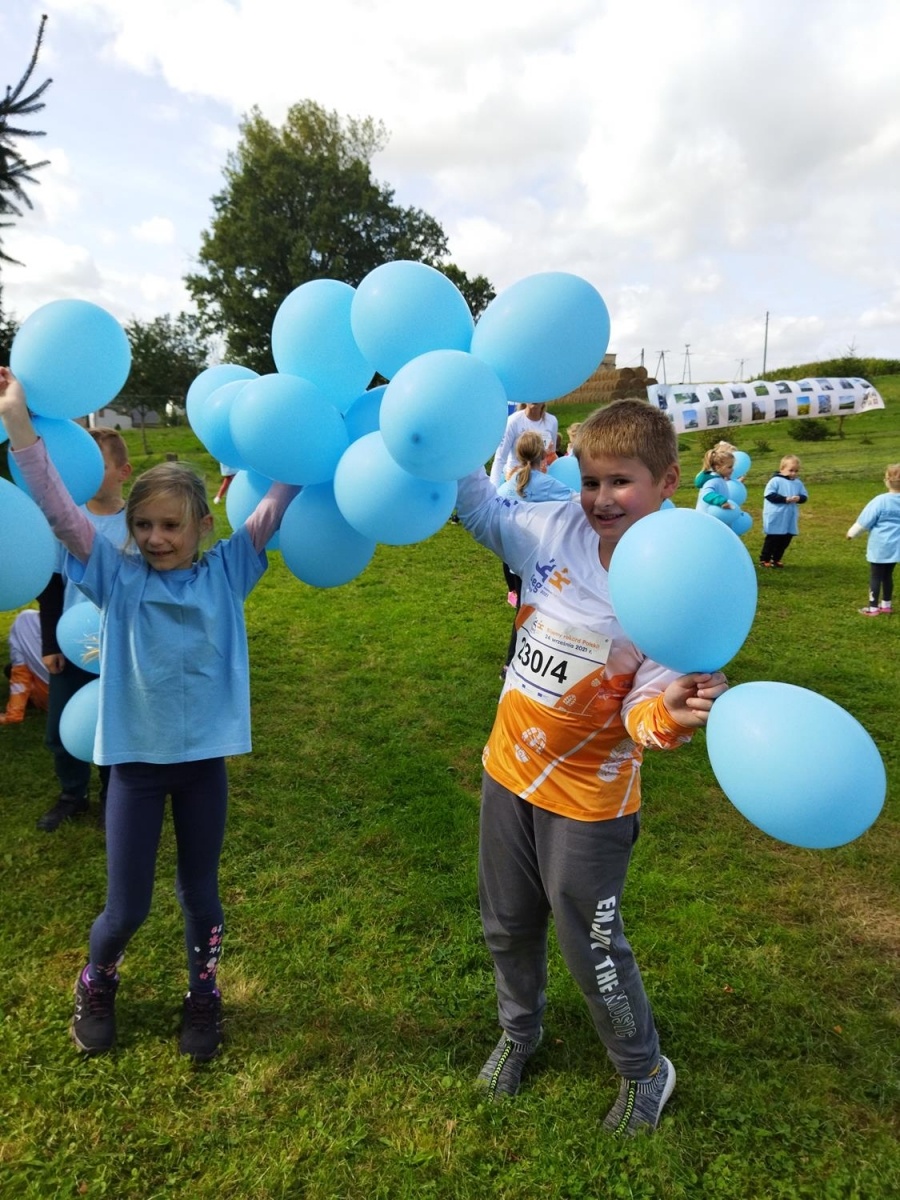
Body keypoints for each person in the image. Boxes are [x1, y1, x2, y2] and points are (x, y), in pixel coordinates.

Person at [0, 366, 300, 1062]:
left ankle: (204, 994)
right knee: (126, 905)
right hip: (134, 770)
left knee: (202, 893)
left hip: (202, 770)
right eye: (143, 526)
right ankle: (95, 983)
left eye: (170, 525)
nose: (157, 538)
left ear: (202, 523)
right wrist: (18, 425)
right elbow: (58, 511)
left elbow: (282, 494)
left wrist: (311, 425)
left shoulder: (230, 571)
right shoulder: (117, 575)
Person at [456, 399, 728, 1136]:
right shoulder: (554, 527)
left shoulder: (676, 585)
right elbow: (486, 514)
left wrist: (668, 710)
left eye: (621, 483)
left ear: (668, 480)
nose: (602, 500)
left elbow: (643, 715)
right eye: (590, 481)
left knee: (591, 941)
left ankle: (644, 1069)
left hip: (590, 800)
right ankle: (520, 1031)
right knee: (507, 922)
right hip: (507, 768)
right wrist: (443, 443)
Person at [35, 426, 133, 832]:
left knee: (117, 728)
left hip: (125, 647)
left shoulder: (139, 523)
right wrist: (49, 643)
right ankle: (72, 794)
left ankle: (117, 797)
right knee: (62, 727)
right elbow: (51, 585)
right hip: (73, 646)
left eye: (98, 465)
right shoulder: (66, 522)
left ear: (122, 472)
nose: (85, 472)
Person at [496, 431, 577, 676]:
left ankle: (525, 658)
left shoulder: (510, 483)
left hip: (510, 561)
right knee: (531, 608)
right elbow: (577, 499)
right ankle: (513, 663)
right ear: (543, 455)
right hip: (534, 560)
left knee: (526, 606)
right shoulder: (544, 482)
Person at [846, 463, 900, 615]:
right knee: (888, 576)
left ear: (887, 480)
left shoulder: (880, 501)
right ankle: (886, 605)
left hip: (880, 546)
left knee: (876, 576)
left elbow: (865, 520)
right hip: (896, 547)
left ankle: (873, 607)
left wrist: (852, 533)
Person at [489, 403, 559, 487]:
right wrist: (494, 490)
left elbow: (551, 455)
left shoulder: (552, 421)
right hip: (515, 482)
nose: (535, 399)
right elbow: (499, 459)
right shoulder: (513, 421)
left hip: (540, 482)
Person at [0, 609, 49, 725]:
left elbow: (20, 673)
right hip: (83, 696)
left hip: (52, 699)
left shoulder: (25, 621)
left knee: (12, 669)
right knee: (10, 669)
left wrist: (14, 714)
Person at [759, 455, 808, 568]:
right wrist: (785, 499)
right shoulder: (775, 481)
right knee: (773, 538)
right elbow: (769, 495)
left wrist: (799, 498)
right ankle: (765, 559)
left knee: (786, 539)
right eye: (791, 470)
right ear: (782, 469)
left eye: (796, 471)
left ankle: (776, 558)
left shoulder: (798, 483)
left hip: (789, 516)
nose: (793, 473)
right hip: (776, 515)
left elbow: (804, 496)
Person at [695, 446, 735, 516]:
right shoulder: (713, 481)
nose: (732, 469)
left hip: (711, 518)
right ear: (718, 467)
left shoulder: (718, 479)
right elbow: (706, 494)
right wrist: (721, 501)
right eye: (729, 467)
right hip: (706, 519)